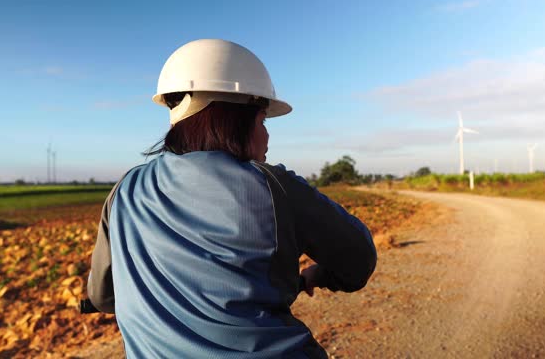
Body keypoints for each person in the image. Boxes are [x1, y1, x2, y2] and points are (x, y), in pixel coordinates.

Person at [86, 39, 377, 358]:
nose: (267, 135)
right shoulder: (273, 186)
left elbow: (102, 297)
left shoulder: (124, 192)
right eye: (263, 120)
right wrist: (318, 274)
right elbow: (358, 259)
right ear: (234, 118)